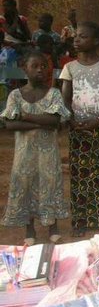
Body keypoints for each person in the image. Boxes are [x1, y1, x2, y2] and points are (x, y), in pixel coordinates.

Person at [0, 51, 71, 245]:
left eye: (43, 66)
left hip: (48, 154)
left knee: (50, 185)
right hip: (24, 154)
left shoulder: (53, 93)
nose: (40, 69)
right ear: (25, 69)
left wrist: (27, 116)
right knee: (25, 186)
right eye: (35, 66)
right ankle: (29, 228)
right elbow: (10, 124)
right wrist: (43, 122)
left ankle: (52, 227)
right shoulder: (15, 95)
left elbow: (56, 121)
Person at [59, 21, 99, 237]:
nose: (76, 39)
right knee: (80, 176)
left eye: (82, 36)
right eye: (75, 36)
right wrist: (73, 121)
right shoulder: (69, 68)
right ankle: (81, 220)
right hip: (78, 131)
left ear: (95, 41)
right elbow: (65, 100)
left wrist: (98, 119)